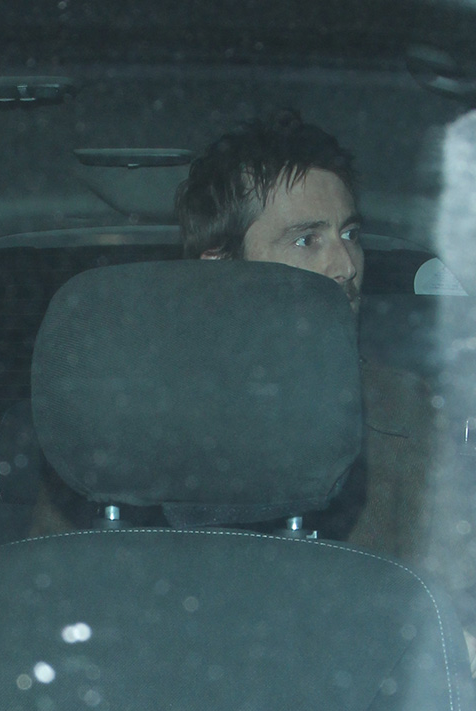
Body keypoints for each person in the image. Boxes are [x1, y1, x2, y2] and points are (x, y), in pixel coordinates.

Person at [175, 109, 434, 562]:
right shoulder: (140, 419)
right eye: (306, 240)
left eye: (350, 233)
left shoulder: (406, 413)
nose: (346, 264)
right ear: (221, 269)